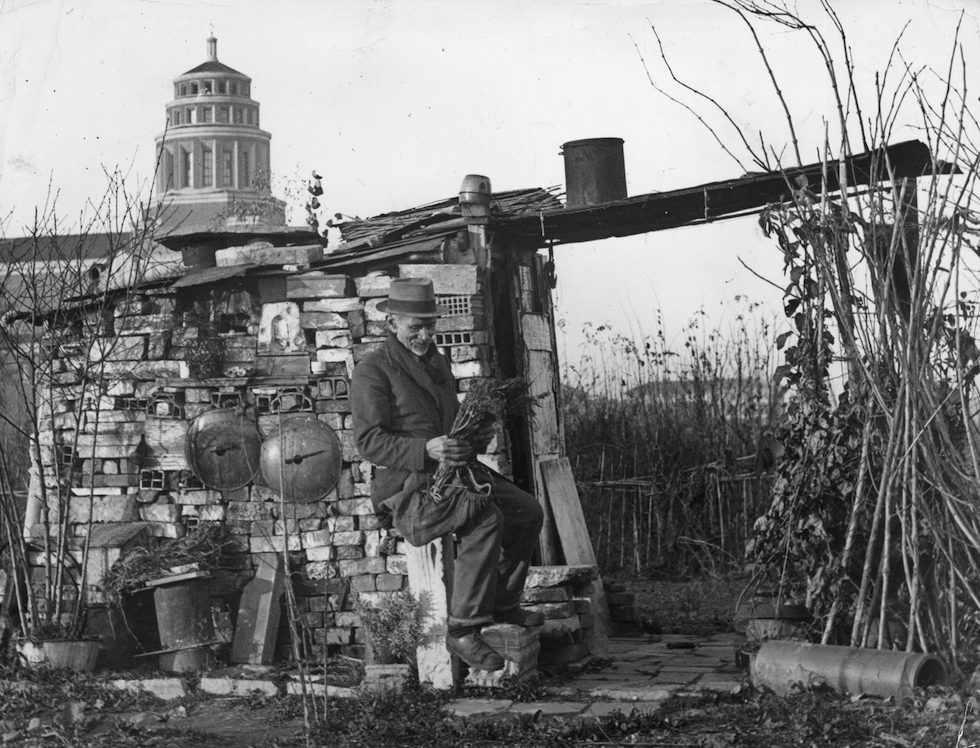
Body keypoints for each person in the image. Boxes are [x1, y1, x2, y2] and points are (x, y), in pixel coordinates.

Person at [351, 277, 544, 671]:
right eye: (414, 328)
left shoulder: (436, 363)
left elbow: (450, 423)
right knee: (484, 518)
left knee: (527, 511)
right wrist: (425, 449)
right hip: (408, 482)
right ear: (392, 324)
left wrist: (475, 435)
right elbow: (369, 442)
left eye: (429, 326)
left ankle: (504, 606)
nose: (424, 335)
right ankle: (463, 630)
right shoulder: (373, 371)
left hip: (455, 469)